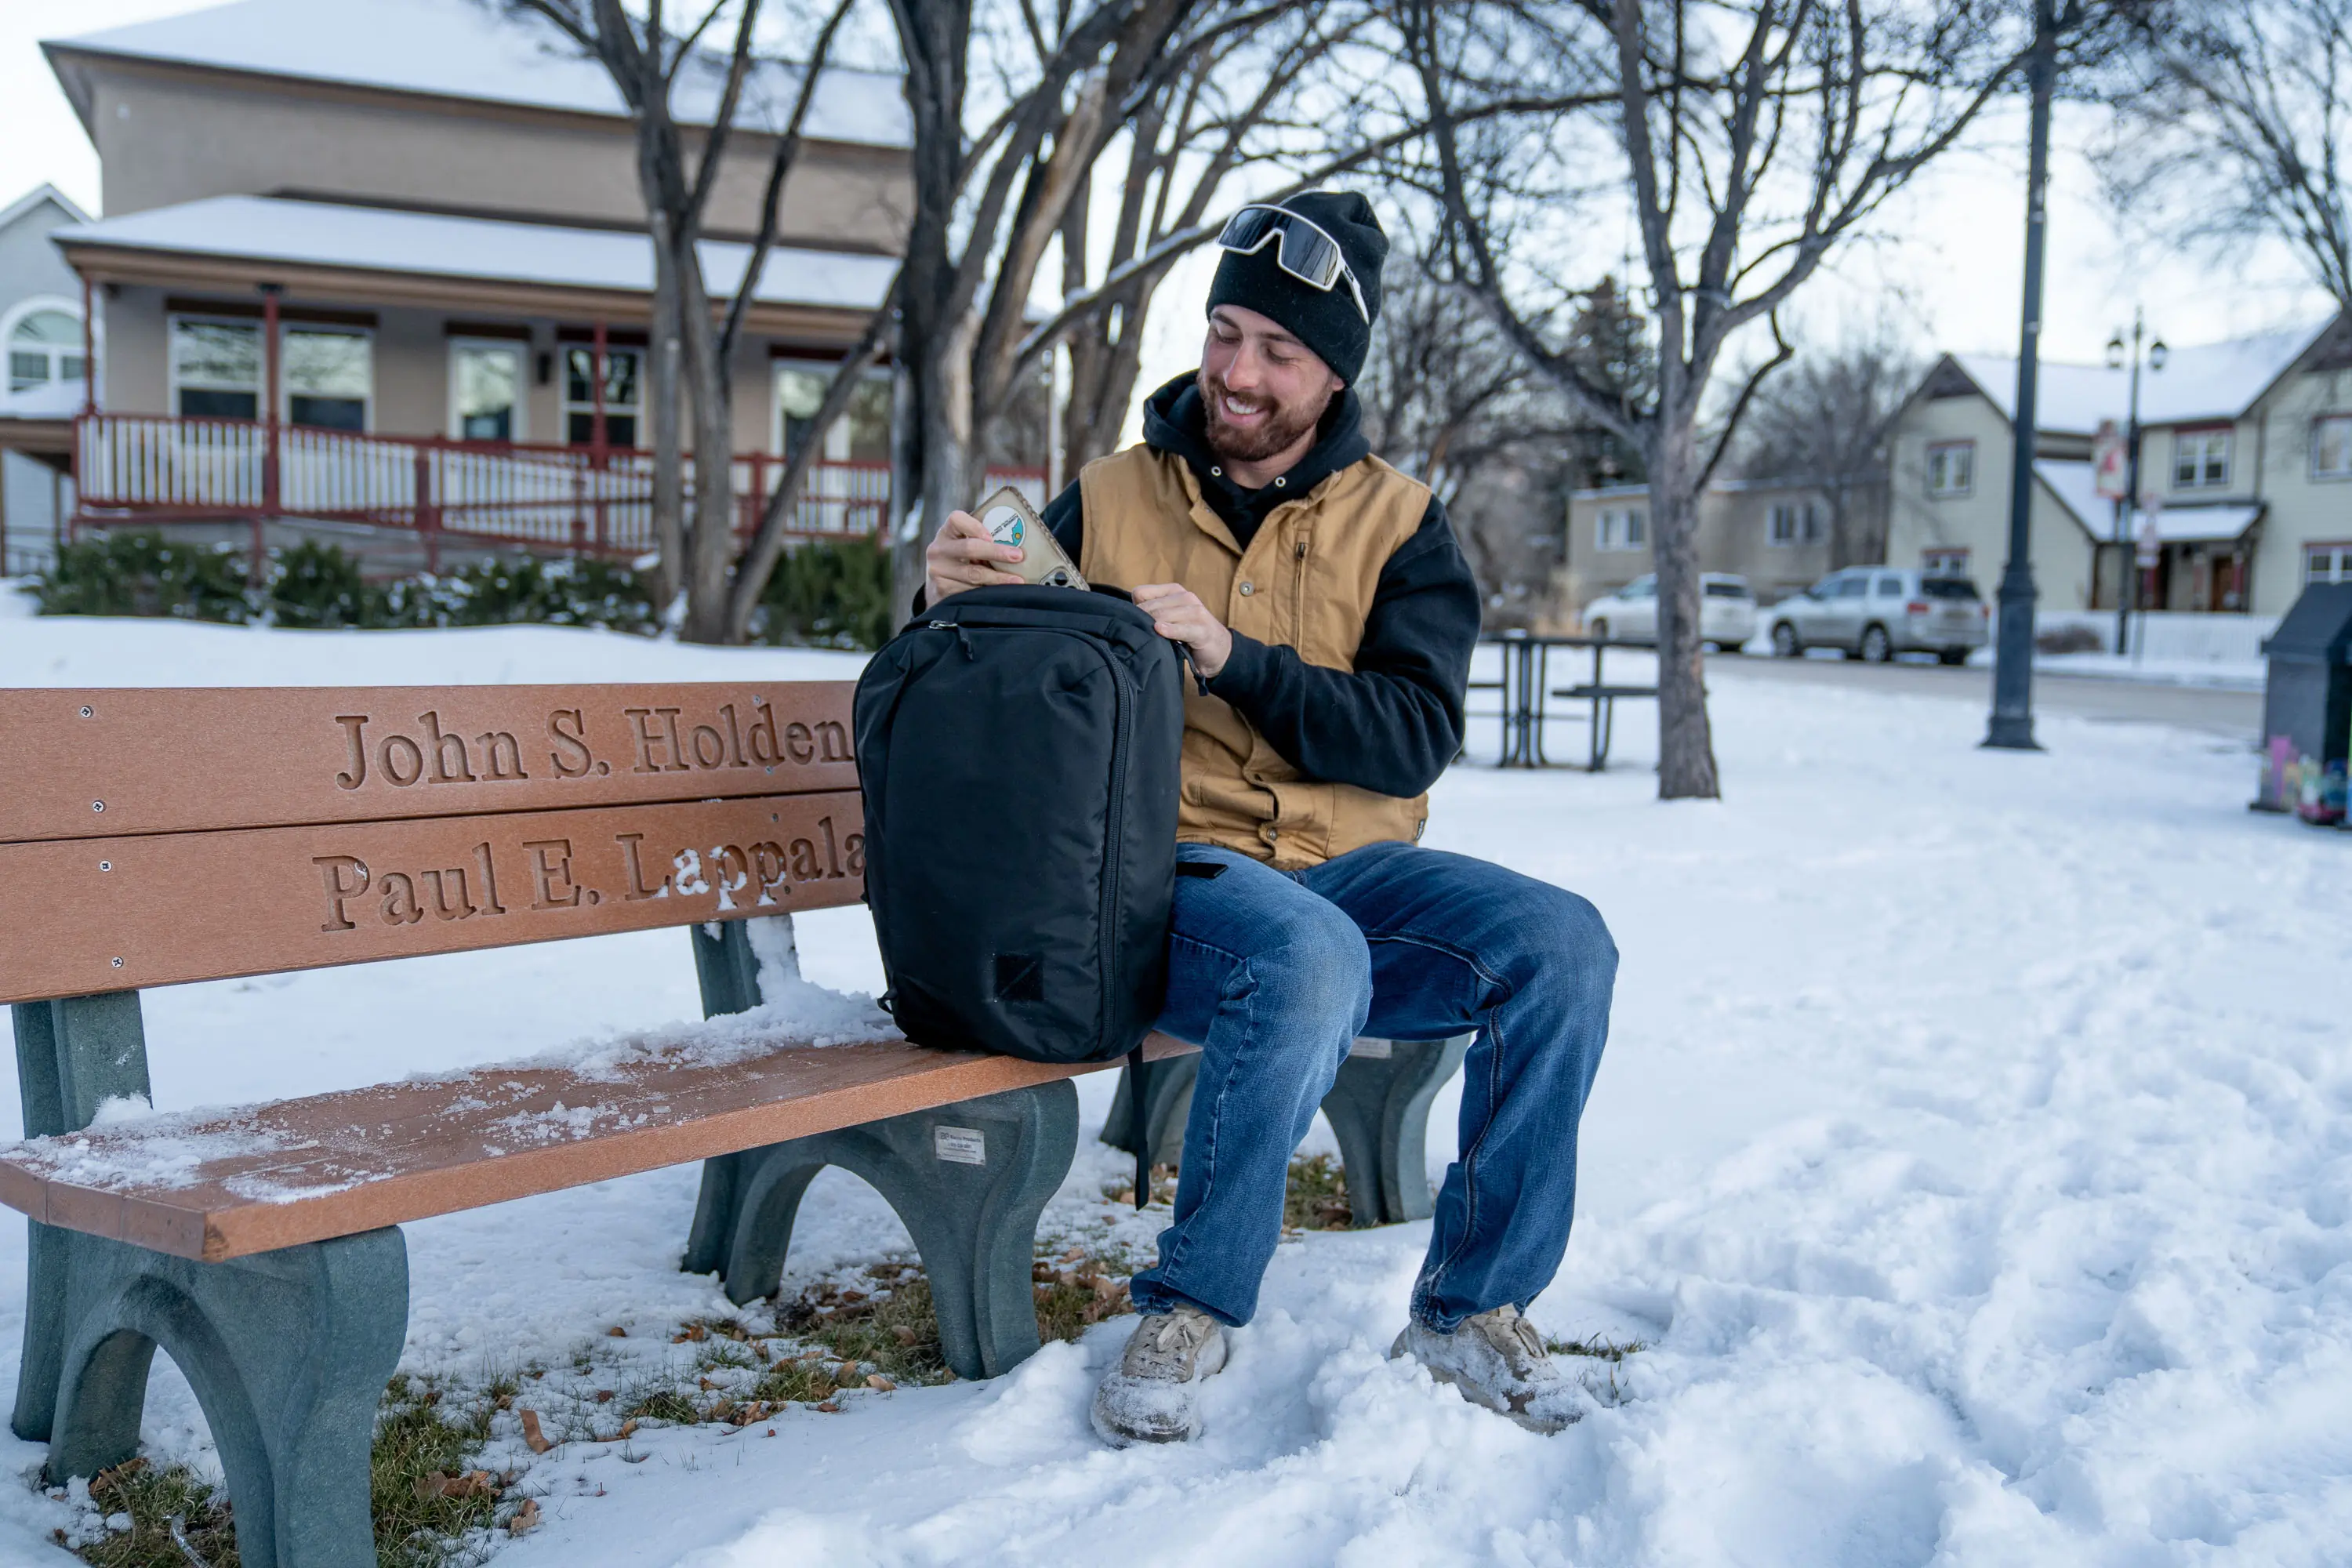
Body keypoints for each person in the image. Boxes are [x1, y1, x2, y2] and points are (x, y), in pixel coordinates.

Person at [922, 191, 1616, 1444]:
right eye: (1226, 331)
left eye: (1277, 350)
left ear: (1334, 370)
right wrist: (949, 607)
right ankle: (1194, 1302)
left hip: (1352, 872)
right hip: (1160, 886)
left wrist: (1238, 658)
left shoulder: (1405, 525)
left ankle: (1471, 1310)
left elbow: (1414, 732)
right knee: (1304, 953)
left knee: (1562, 943)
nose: (1238, 372)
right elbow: (995, 710)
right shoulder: (1112, 492)